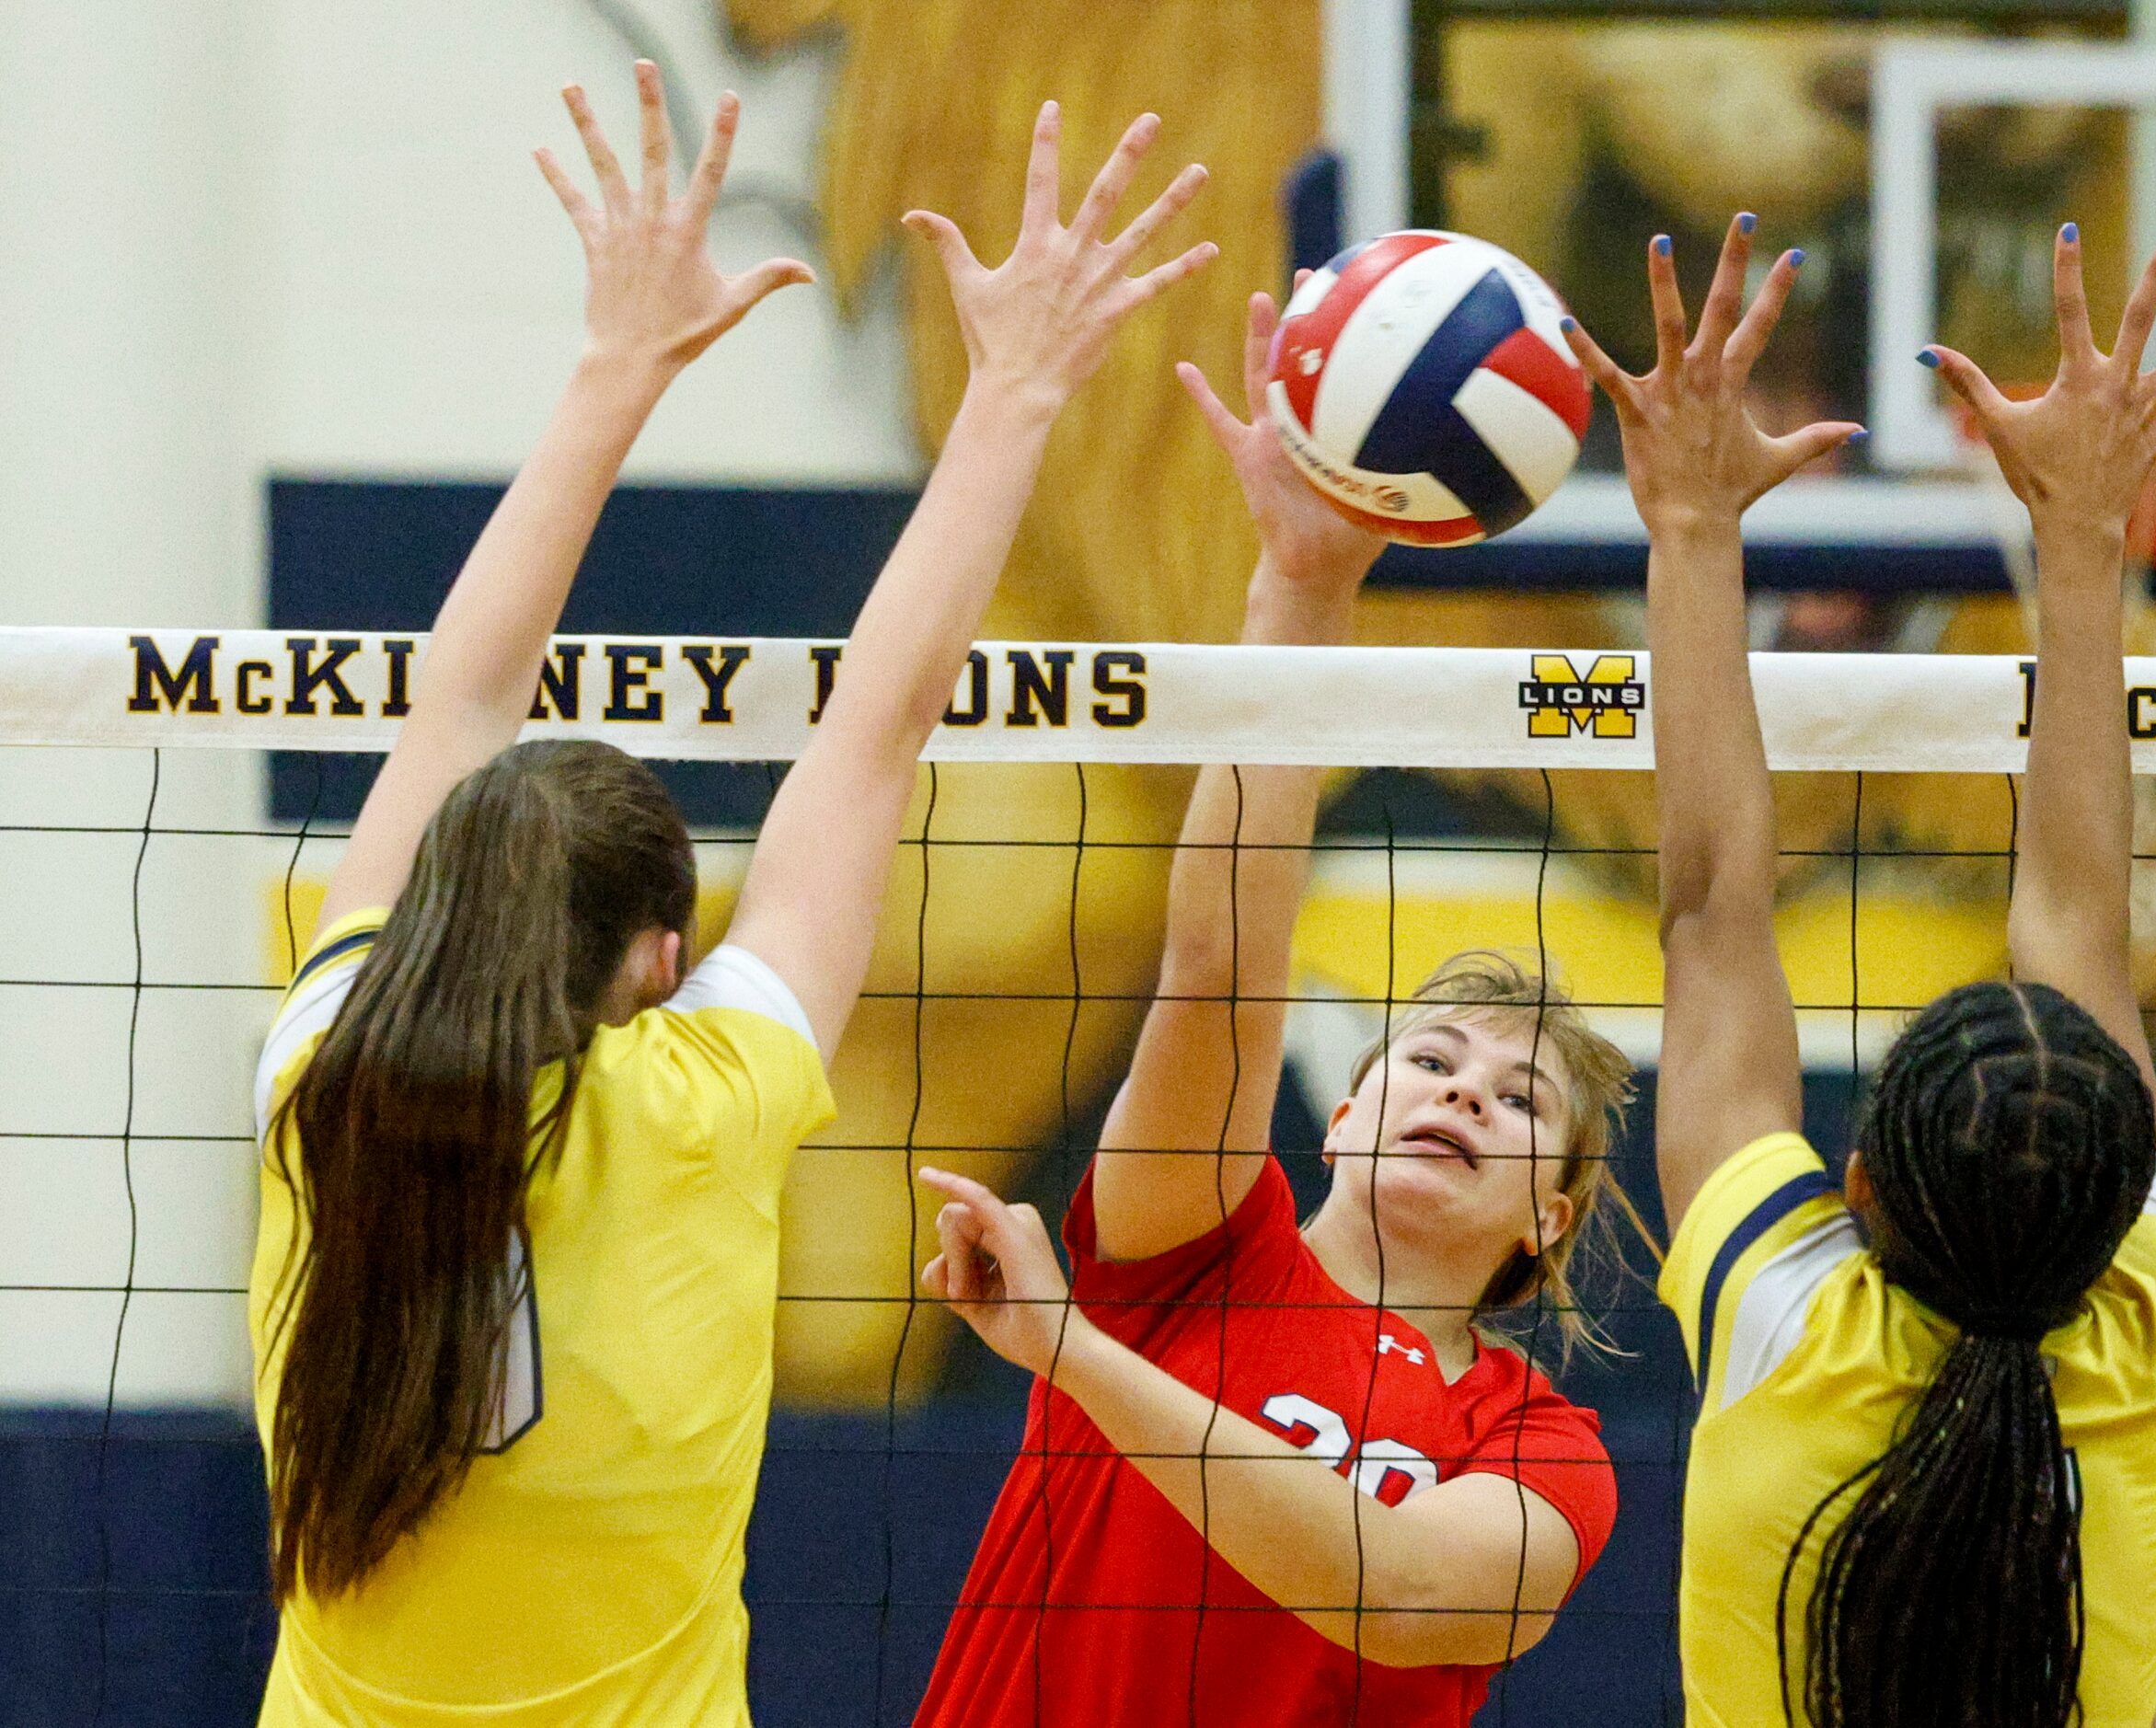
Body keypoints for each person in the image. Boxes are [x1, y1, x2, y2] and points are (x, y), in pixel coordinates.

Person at [248, 71, 1213, 1725]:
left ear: (439, 899)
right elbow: (874, 732)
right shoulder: (707, 1097)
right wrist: (1015, 398)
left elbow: (453, 708)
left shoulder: (320, 1072)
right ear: (660, 957)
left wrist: (614, 365)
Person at [911, 284, 1638, 1726]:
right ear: (1345, 1106)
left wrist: (1071, 1352)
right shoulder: (1191, 1254)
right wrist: (1298, 595)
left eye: (1517, 1100)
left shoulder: (1543, 1446)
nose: (1462, 1093)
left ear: (1550, 1210)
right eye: (1428, 1058)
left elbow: (1405, 1595)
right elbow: (1219, 970)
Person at [1562, 218, 2156, 1727]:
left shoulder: (1798, 1324)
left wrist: (1684, 527)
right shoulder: (2149, 1336)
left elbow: (1710, 896)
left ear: (1859, 1179)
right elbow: (2068, 926)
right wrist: (2080, 535)